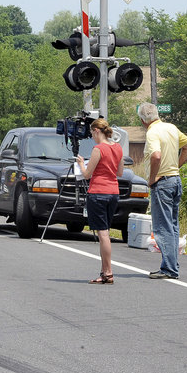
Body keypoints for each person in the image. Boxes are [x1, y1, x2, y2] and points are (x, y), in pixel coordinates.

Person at [138, 102, 187, 280]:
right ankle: (172, 265)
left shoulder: (152, 132)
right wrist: (176, 166)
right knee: (173, 225)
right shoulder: (171, 127)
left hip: (162, 182)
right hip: (175, 180)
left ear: (143, 120)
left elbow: (156, 155)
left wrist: (153, 178)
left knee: (163, 227)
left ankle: (169, 268)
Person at [76, 118, 124, 284]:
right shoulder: (118, 147)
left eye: (91, 133)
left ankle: (108, 272)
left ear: (97, 130)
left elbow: (87, 174)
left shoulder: (98, 149)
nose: (92, 137)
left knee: (103, 234)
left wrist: (81, 164)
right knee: (106, 232)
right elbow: (120, 172)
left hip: (98, 192)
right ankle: (104, 271)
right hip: (113, 192)